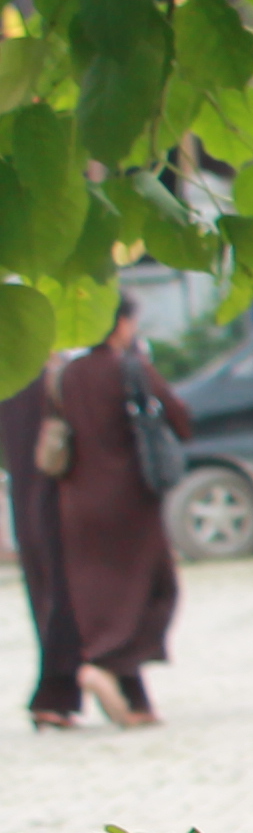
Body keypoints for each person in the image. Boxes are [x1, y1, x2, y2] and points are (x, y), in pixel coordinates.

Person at [48, 302, 190, 727]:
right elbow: (179, 416)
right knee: (153, 589)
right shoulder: (130, 367)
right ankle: (102, 665)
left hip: (77, 499)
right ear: (122, 324)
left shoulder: (65, 375)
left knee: (103, 594)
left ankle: (137, 703)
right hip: (130, 498)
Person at [4, 356, 78, 730]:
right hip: (57, 499)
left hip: (25, 498)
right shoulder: (51, 375)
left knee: (44, 593)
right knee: (64, 593)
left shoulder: (10, 380)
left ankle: (56, 696)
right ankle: (55, 693)